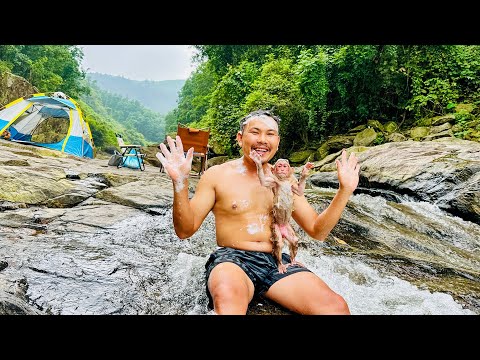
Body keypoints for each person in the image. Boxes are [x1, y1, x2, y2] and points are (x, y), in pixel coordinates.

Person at [156, 109, 360, 315]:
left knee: (335, 307)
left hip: (276, 261)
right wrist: (180, 183)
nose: (262, 140)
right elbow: (185, 230)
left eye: (270, 134)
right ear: (240, 138)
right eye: (255, 132)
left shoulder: (284, 180)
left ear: (278, 142)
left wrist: (345, 191)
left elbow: (317, 230)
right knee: (228, 300)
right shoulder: (216, 175)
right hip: (232, 259)